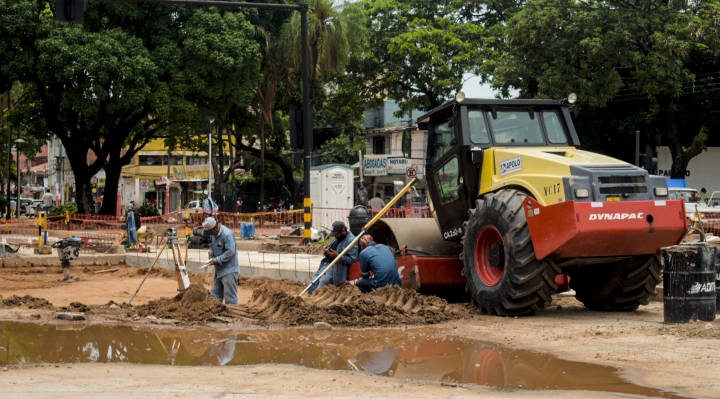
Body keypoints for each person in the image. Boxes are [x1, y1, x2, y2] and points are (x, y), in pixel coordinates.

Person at [306, 221, 358, 296]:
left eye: (336, 234)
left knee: (322, 283)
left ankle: (315, 300)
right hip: (326, 264)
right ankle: (309, 297)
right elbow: (330, 247)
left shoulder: (352, 241)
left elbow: (353, 260)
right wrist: (326, 249)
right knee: (314, 281)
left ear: (343, 231)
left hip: (336, 268)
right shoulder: (336, 238)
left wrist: (338, 257)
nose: (335, 237)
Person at [204, 217, 239, 304]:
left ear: (216, 227)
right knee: (215, 294)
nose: (210, 234)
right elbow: (213, 247)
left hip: (229, 270)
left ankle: (233, 314)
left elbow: (230, 252)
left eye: (211, 232)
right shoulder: (213, 235)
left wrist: (216, 260)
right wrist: (211, 253)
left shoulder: (227, 234)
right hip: (219, 270)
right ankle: (216, 313)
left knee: (230, 296)